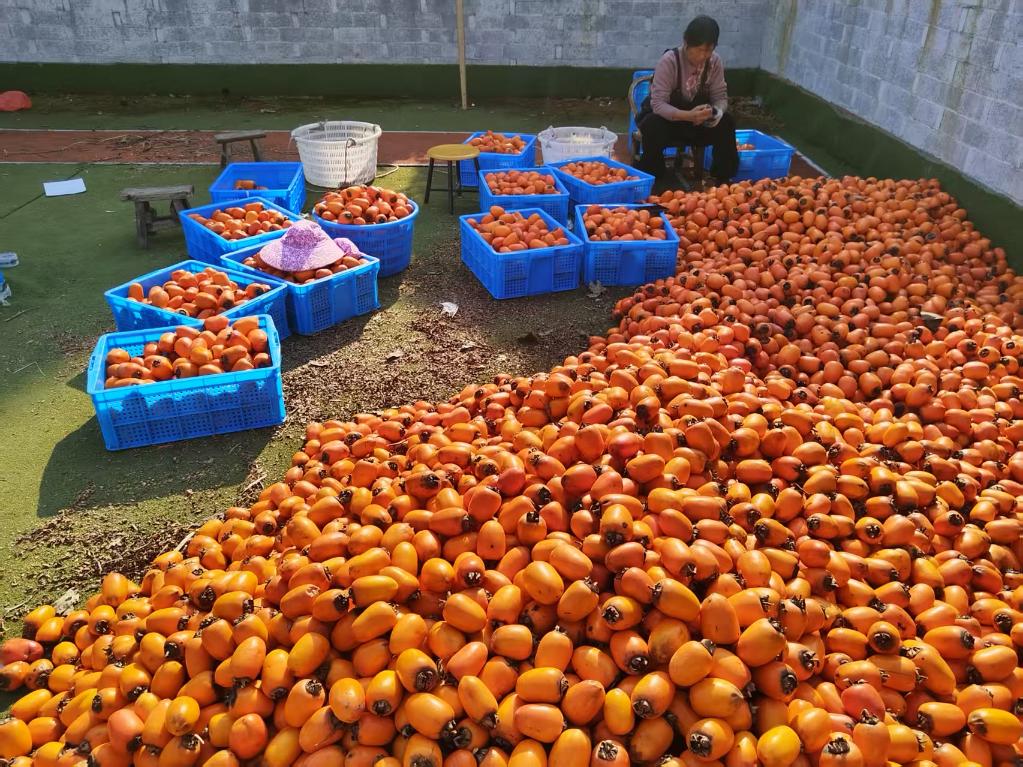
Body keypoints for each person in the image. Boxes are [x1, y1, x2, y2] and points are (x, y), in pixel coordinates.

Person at [636, 15, 739, 186]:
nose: (704, 56)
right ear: (686, 43)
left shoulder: (714, 62)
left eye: (709, 50)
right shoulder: (670, 61)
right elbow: (658, 104)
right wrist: (687, 115)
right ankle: (655, 179)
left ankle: (723, 178)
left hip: (697, 124)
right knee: (652, 125)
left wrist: (715, 112)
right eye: (699, 50)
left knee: (727, 122)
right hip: (670, 120)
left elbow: (720, 96)